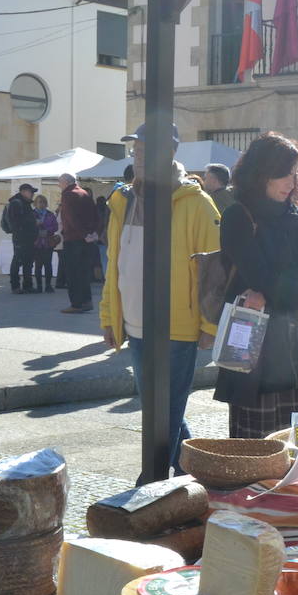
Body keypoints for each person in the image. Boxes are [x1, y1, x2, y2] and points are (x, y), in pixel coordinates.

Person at [101, 122, 220, 478]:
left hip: (177, 327)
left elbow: (215, 270)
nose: (137, 156)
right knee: (160, 407)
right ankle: (193, 470)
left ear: (168, 153)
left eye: (144, 150)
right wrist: (110, 316)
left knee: (163, 410)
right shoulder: (123, 199)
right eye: (134, 150)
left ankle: (149, 483)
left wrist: (210, 325)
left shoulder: (197, 203)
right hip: (135, 323)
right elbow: (115, 264)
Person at [214, 131, 298, 438]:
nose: (291, 182)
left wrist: (284, 291)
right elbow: (260, 276)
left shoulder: (291, 213)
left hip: (289, 338)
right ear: (262, 173)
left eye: (294, 174)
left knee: (293, 439)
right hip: (252, 339)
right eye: (283, 174)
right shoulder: (238, 214)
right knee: (254, 447)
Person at [57, 172, 99, 313]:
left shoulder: (68, 194)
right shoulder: (84, 193)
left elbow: (71, 218)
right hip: (86, 240)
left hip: (74, 239)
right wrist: (92, 233)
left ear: (66, 182)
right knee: (84, 273)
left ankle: (76, 304)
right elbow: (95, 214)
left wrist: (83, 234)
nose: (59, 185)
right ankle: (87, 302)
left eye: (60, 182)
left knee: (73, 274)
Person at [0, 182, 38, 293]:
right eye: (30, 192)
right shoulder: (16, 203)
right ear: (23, 192)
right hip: (21, 237)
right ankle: (15, 286)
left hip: (28, 238)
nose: (32, 194)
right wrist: (32, 222)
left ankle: (27, 285)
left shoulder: (25, 203)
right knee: (18, 261)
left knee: (28, 262)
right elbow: (16, 221)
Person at [31, 194, 59, 293]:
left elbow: (55, 227)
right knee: (38, 266)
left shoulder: (50, 214)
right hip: (37, 243)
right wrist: (36, 230)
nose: (41, 204)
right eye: (39, 202)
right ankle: (39, 286)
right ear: (35, 203)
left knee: (48, 265)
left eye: (43, 202)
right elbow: (28, 227)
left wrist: (47, 231)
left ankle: (48, 285)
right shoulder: (32, 214)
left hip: (48, 243)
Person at [94, 194, 110, 282]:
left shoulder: (96, 211)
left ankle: (104, 277)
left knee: (102, 259)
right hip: (105, 237)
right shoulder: (106, 211)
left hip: (100, 238)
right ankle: (106, 277)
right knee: (106, 259)